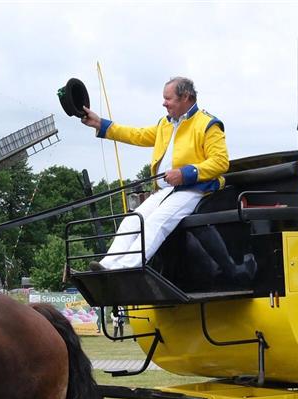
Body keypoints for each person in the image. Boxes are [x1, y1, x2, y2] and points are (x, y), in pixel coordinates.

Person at [80, 76, 254, 280]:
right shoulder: (165, 123)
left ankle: (127, 267)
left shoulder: (208, 124)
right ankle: (108, 266)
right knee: (132, 221)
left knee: (157, 221)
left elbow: (220, 162)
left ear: (186, 97)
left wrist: (185, 174)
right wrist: (100, 124)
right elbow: (137, 134)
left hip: (194, 190)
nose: (164, 103)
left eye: (168, 98)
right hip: (165, 191)